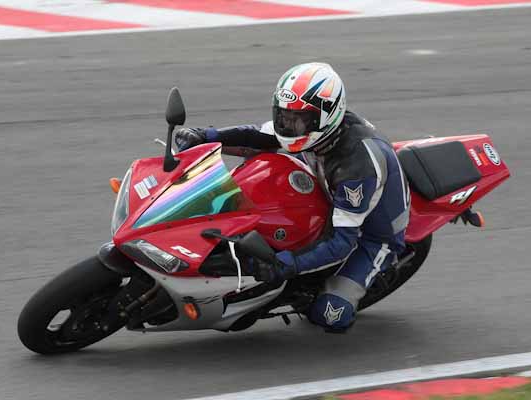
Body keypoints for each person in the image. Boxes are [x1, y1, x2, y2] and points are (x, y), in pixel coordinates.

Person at [175, 62, 410, 332]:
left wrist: (284, 264)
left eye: (297, 119)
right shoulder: (316, 132)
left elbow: (342, 241)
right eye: (283, 116)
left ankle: (361, 278)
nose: (288, 126)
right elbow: (256, 136)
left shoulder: (357, 167)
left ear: (325, 117)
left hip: (370, 236)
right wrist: (205, 136)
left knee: (330, 315)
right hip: (326, 193)